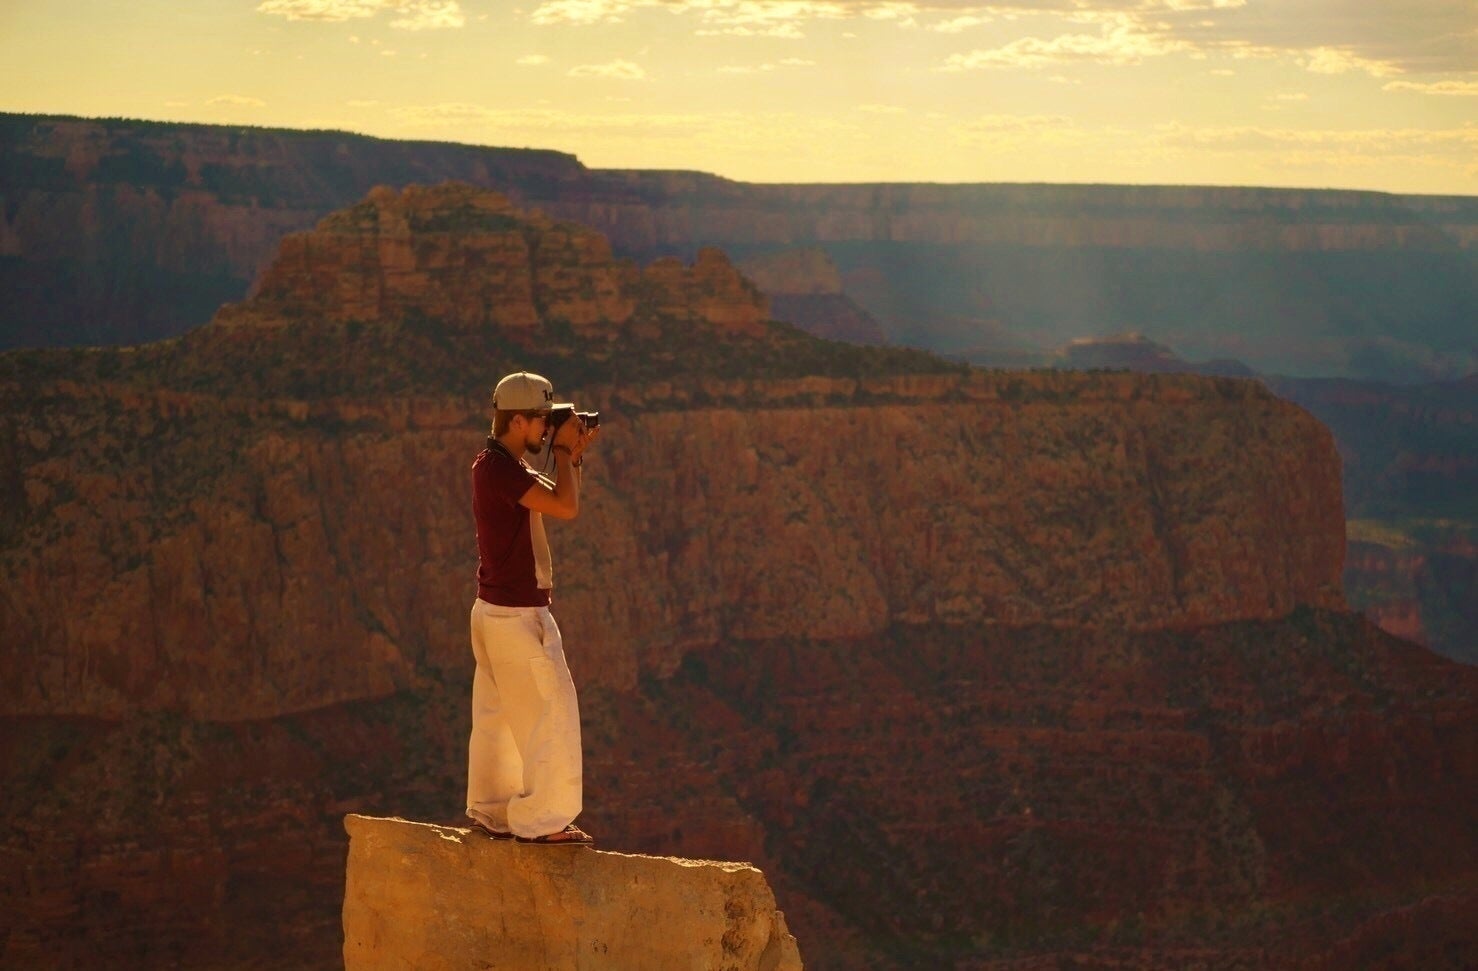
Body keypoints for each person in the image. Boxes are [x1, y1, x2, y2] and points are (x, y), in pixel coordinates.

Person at [465, 371, 599, 845]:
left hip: (492, 612)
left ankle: (493, 812)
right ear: (517, 420)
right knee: (553, 713)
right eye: (541, 419)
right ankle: (542, 822)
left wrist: (571, 457)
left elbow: (554, 494)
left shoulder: (494, 465)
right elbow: (566, 507)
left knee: (497, 718)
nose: (547, 426)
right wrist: (564, 453)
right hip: (518, 615)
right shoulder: (502, 470)